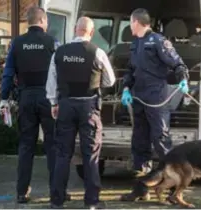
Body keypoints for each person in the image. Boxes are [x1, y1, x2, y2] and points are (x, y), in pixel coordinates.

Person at [0, 6, 70, 204]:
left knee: (26, 146)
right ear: (43, 21)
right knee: (53, 145)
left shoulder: (17, 43)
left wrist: (4, 98)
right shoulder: (52, 42)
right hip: (49, 99)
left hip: (26, 98)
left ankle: (22, 192)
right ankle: (57, 191)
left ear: (28, 22)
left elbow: (8, 72)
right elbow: (63, 71)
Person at [119, 8, 190, 202]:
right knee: (139, 144)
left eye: (130, 22)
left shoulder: (158, 41)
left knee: (161, 142)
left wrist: (183, 80)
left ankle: (174, 192)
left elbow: (178, 64)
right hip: (139, 99)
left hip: (157, 99)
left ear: (136, 22)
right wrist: (126, 88)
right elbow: (130, 71)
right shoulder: (135, 44)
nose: (129, 25)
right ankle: (141, 189)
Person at [47, 16, 116, 209]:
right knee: (91, 155)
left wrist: (54, 103)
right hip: (89, 108)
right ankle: (92, 202)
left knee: (62, 154)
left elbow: (51, 83)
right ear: (91, 33)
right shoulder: (98, 52)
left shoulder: (59, 53)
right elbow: (110, 80)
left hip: (66, 106)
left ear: (75, 30)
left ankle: (57, 201)